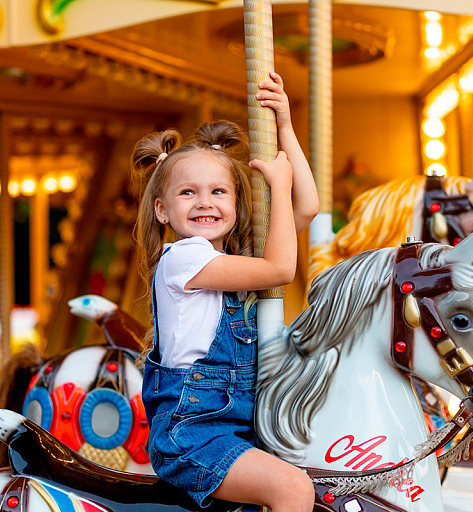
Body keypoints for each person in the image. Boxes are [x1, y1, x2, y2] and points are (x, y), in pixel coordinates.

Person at [134, 73, 318, 512]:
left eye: (218, 191)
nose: (204, 202)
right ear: (162, 209)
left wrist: (286, 129)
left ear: (235, 207)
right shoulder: (182, 259)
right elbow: (281, 268)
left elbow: (306, 208)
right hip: (192, 433)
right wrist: (277, 183)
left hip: (237, 426)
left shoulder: (234, 260)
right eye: (187, 193)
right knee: (293, 490)